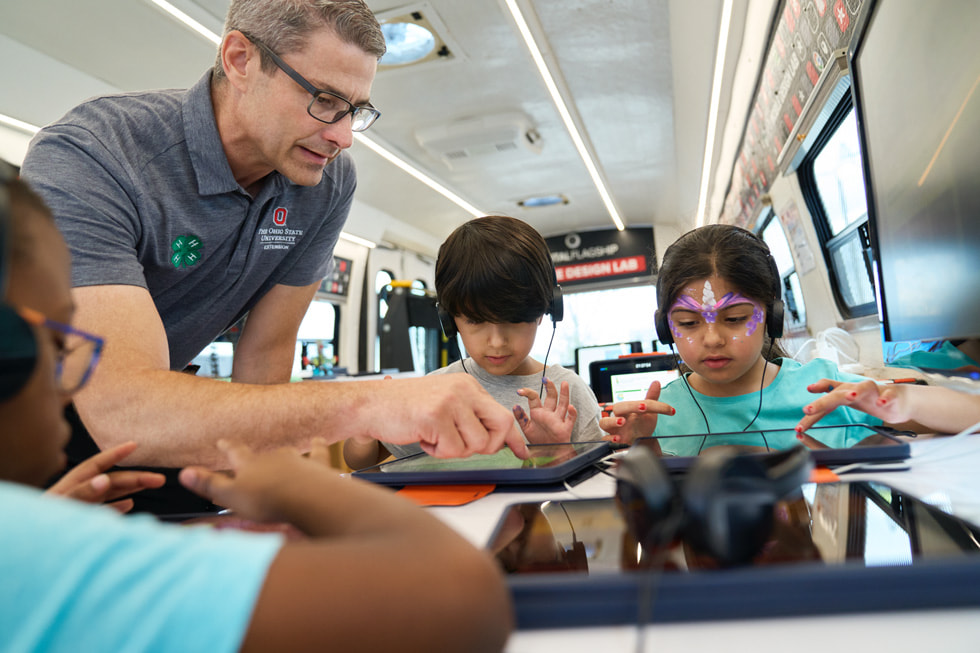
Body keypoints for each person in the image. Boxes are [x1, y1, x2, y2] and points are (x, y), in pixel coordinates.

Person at [19, 0, 526, 513]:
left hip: (165, 415)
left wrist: (264, 503)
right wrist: (373, 402)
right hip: (34, 430)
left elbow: (265, 354)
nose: (343, 136)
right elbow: (124, 406)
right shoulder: (94, 154)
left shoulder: (326, 183)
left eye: (354, 110)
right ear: (241, 60)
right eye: (325, 100)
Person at [0, 166, 513, 653]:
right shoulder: (29, 554)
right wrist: (297, 485)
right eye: (57, 340)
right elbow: (461, 598)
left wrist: (55, 526)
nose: (74, 384)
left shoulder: (35, 545)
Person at [601, 224, 980, 455]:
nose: (712, 339)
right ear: (665, 328)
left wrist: (903, 402)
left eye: (735, 319)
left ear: (773, 317)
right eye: (687, 322)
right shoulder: (655, 417)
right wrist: (641, 447)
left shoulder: (825, 390)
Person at [344, 215, 603, 469]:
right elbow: (361, 460)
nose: (497, 341)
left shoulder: (568, 393)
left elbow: (598, 480)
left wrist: (560, 453)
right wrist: (365, 427)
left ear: (545, 311)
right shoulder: (436, 391)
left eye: (513, 320)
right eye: (476, 321)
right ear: (449, 319)